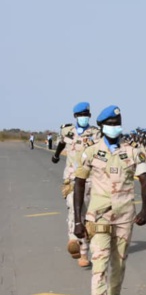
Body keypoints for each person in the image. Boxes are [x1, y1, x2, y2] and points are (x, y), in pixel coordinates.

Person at [73, 105, 146, 295]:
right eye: (111, 124)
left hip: (125, 216)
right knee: (99, 264)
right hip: (99, 216)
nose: (115, 127)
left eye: (118, 123)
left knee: (118, 264)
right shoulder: (91, 152)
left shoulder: (134, 152)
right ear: (102, 126)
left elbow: (145, 181)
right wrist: (78, 219)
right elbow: (79, 183)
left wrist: (145, 210)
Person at [52, 102, 101, 267]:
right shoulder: (67, 131)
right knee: (75, 211)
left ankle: (92, 247)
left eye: (86, 115)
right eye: (81, 115)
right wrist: (56, 156)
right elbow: (60, 143)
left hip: (91, 179)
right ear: (75, 117)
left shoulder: (95, 133)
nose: (84, 117)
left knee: (90, 215)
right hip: (72, 180)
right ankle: (81, 250)